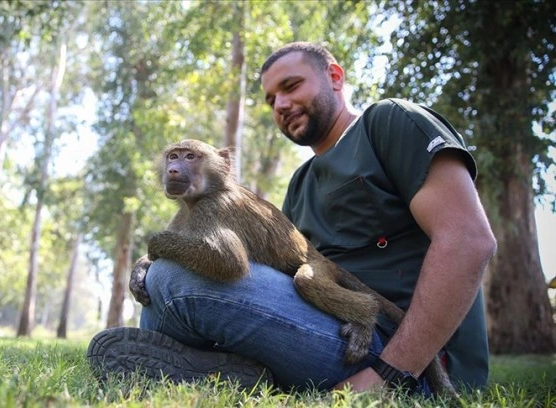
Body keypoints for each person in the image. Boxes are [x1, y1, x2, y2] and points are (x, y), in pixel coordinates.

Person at [87, 42, 496, 394]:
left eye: (291, 86)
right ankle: (222, 373)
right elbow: (276, 275)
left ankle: (218, 373)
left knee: (172, 279)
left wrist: (388, 372)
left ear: (335, 76)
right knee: (155, 290)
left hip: (405, 354)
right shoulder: (301, 182)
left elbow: (469, 241)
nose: (280, 104)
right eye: (270, 100)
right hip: (324, 325)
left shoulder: (388, 122)